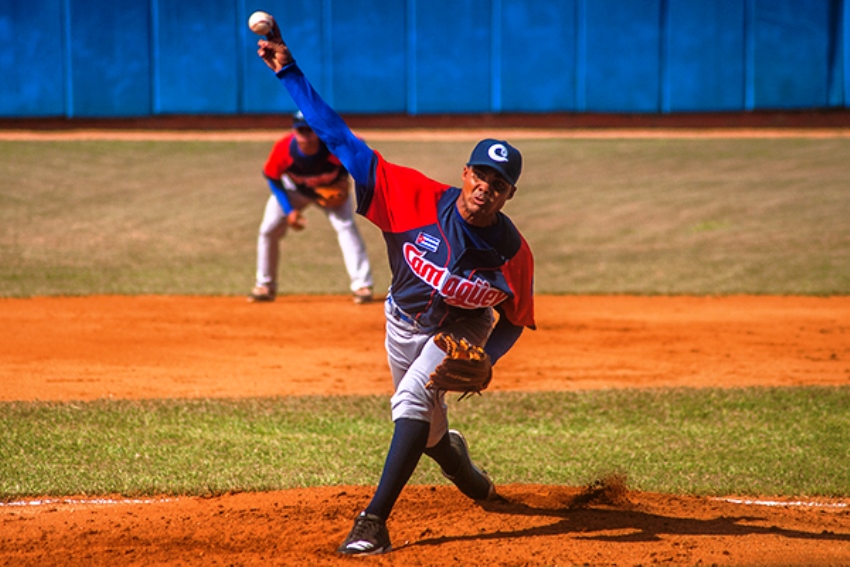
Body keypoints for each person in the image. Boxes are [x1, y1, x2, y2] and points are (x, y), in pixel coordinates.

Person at [256, 22, 535, 556]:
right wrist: (289, 72)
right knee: (426, 431)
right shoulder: (410, 197)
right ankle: (467, 472)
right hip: (401, 322)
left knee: (409, 400)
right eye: (480, 175)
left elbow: (516, 319)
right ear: (466, 172)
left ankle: (373, 522)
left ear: (509, 194)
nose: (486, 187)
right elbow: (338, 137)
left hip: (462, 328)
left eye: (498, 184)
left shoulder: (512, 252)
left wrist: (488, 357)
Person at [249, 110, 374, 304]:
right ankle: (265, 285)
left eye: (310, 129)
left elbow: (361, 148)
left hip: (332, 192)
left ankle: (362, 286)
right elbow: (273, 178)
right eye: (301, 130)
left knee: (346, 227)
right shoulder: (283, 149)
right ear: (294, 131)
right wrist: (289, 210)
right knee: (268, 230)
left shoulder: (333, 144)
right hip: (294, 191)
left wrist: (347, 179)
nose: (306, 135)